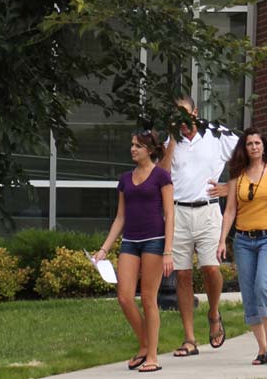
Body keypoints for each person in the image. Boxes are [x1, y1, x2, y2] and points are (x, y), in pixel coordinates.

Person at [159, 96, 238, 357]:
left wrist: (229, 187)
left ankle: (214, 313)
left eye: (184, 113)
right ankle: (189, 338)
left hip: (208, 211)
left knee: (211, 269)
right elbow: (161, 174)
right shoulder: (170, 140)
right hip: (178, 212)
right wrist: (171, 141)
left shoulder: (216, 134)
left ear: (195, 112)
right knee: (181, 275)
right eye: (176, 115)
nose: (181, 120)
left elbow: (246, 157)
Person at [94, 130, 174, 373]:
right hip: (130, 241)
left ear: (149, 150)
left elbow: (170, 215)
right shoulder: (125, 179)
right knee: (124, 297)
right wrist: (104, 249)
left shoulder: (161, 176)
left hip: (155, 241)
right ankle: (144, 345)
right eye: (132, 145)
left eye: (138, 146)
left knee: (149, 298)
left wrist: (168, 251)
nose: (133, 149)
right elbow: (120, 217)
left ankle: (152, 357)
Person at [218, 127, 267, 365]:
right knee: (249, 295)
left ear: (264, 146)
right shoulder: (237, 175)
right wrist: (222, 241)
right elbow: (230, 211)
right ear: (244, 148)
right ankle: (262, 349)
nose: (254, 147)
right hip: (243, 240)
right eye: (249, 143)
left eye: (258, 143)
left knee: (263, 285)